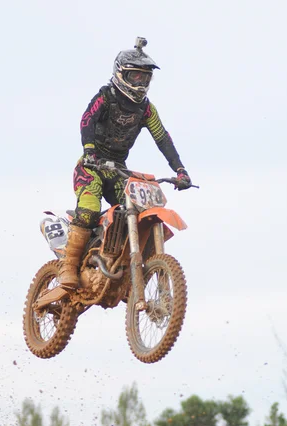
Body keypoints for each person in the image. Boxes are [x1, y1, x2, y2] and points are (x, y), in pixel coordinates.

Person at [59, 37, 193, 288]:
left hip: (118, 171)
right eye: (135, 76)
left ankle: (128, 266)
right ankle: (68, 267)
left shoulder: (146, 110)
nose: (140, 82)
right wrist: (89, 151)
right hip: (92, 167)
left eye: (144, 78)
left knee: (141, 213)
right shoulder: (106, 96)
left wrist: (180, 170)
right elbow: (86, 120)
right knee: (88, 209)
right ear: (121, 74)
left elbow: (162, 137)